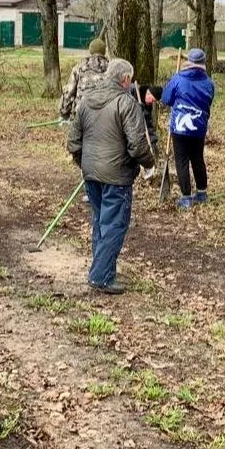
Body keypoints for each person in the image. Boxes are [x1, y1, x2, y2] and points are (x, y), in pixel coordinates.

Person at [67, 58, 155, 294]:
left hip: (91, 173)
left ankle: (103, 268)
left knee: (100, 222)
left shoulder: (85, 101)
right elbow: (137, 144)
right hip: (116, 176)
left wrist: (84, 164)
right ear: (125, 79)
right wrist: (149, 164)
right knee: (114, 224)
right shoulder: (126, 103)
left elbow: (73, 142)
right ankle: (101, 276)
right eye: (130, 79)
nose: (131, 83)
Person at [159, 48, 216, 209]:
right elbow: (208, 101)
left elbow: (166, 99)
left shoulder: (178, 79)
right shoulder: (209, 83)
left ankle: (185, 198)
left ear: (189, 62)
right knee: (198, 158)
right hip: (199, 127)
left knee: (182, 160)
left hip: (180, 128)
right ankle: (202, 193)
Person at [59, 38, 109, 122]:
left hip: (81, 115)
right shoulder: (111, 69)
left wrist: (64, 113)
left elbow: (69, 93)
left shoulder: (79, 68)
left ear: (90, 51)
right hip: (105, 118)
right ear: (104, 52)